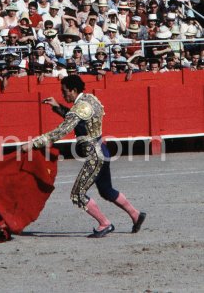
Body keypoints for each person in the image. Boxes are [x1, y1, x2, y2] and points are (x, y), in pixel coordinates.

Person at [21, 74, 146, 237]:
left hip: (95, 156)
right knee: (106, 190)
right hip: (103, 150)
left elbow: (62, 130)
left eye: (64, 91)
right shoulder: (89, 99)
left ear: (73, 91)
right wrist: (56, 105)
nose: (63, 94)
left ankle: (105, 223)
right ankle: (136, 215)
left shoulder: (80, 107)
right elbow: (77, 119)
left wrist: (34, 143)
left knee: (77, 194)